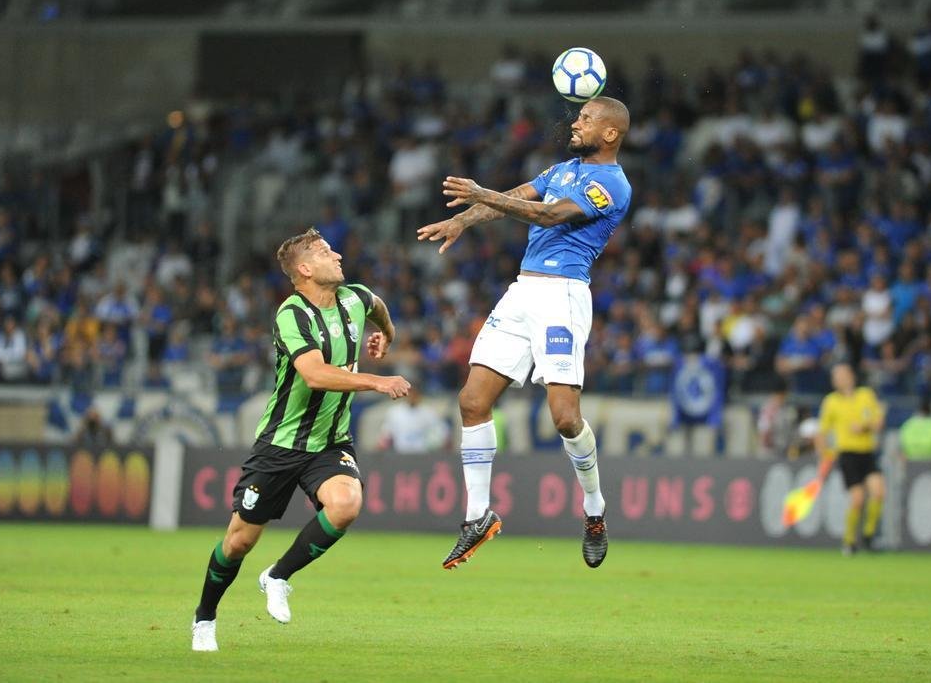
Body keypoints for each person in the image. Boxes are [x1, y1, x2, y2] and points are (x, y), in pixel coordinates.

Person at [416, 96, 631, 570]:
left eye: (587, 119)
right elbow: (517, 200)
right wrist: (463, 219)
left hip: (564, 297)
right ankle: (477, 517)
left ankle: (594, 508)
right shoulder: (559, 170)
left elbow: (549, 216)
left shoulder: (611, 184)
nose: (576, 123)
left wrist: (479, 192)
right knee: (472, 400)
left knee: (564, 418)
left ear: (611, 133)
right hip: (522, 292)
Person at [190, 228, 410, 652]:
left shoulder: (356, 298)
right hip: (281, 445)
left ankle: (277, 576)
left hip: (330, 443)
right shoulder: (291, 314)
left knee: (346, 504)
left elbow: (379, 309)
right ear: (305, 269)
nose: (339, 254)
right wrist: (376, 383)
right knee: (238, 542)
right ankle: (204, 619)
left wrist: (387, 335)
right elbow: (314, 374)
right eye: (327, 252)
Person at [813, 364, 885, 555]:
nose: (838, 379)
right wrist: (824, 455)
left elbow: (879, 422)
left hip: (867, 452)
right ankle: (849, 540)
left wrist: (864, 426)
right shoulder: (831, 402)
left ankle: (869, 536)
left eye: (841, 375)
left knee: (878, 492)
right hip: (847, 454)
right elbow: (821, 432)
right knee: (858, 499)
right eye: (835, 377)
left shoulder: (866, 395)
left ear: (851, 376)